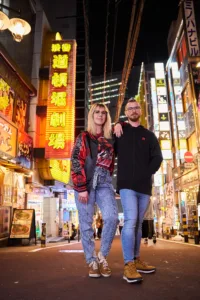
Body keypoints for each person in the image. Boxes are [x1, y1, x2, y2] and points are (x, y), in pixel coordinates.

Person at [114, 98, 163, 284]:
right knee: (131, 220)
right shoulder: (120, 132)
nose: (133, 110)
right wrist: (118, 125)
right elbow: (110, 151)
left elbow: (158, 157)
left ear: (140, 111)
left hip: (144, 187)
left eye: (136, 107)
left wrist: (146, 173)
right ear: (126, 112)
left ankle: (135, 259)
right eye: (130, 108)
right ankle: (128, 265)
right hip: (127, 186)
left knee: (139, 223)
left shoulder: (149, 135)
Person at [71, 103, 118, 278]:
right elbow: (76, 160)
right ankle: (91, 261)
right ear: (92, 115)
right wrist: (82, 187)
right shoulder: (83, 136)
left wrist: (121, 123)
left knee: (112, 217)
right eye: (97, 112)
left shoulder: (110, 137)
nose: (100, 115)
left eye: (104, 112)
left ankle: (102, 257)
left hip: (104, 181)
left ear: (107, 116)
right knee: (85, 225)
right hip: (86, 182)